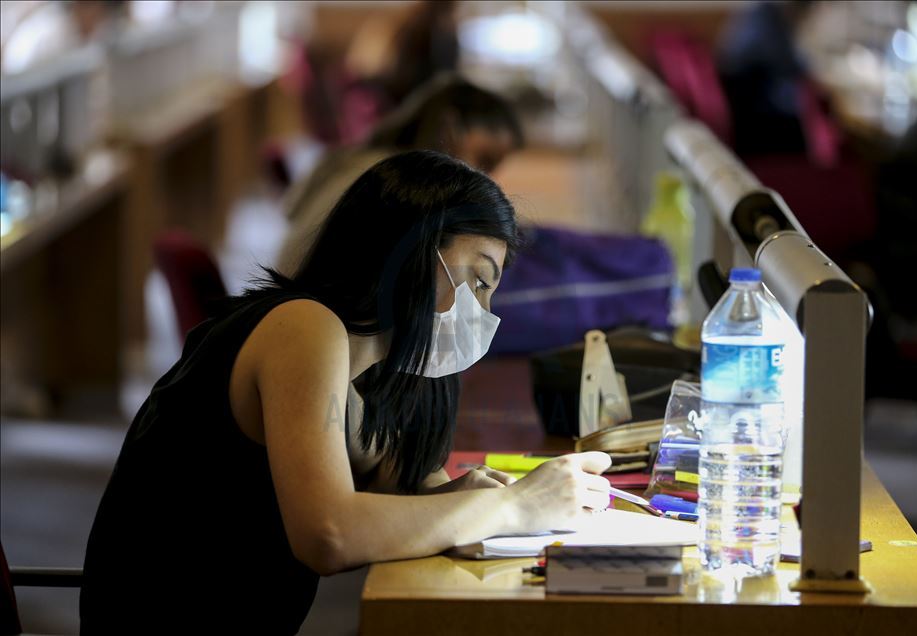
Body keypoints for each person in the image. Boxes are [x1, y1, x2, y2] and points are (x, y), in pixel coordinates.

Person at [80, 150, 611, 634]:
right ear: (407, 254)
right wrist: (517, 506)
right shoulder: (304, 328)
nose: (481, 311)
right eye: (474, 280)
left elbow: (398, 493)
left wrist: (456, 498)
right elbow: (329, 535)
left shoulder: (374, 372)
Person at [278, 74, 523, 275]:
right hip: (313, 316)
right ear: (450, 129)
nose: (485, 176)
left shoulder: (364, 161)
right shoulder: (385, 184)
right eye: (485, 160)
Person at [717, 1, 816, 156]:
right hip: (755, 119)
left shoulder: (761, 11)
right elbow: (789, 65)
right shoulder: (765, 16)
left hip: (746, 108)